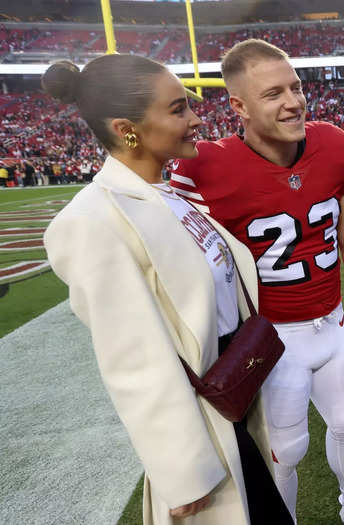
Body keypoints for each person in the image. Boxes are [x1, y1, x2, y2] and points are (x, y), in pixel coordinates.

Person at [40, 55, 292, 525]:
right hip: (203, 434)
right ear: (126, 128)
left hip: (234, 405)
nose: (196, 118)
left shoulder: (166, 192)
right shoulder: (91, 220)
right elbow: (132, 358)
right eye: (178, 109)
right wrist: (182, 470)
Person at [170, 39, 344, 525]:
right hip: (271, 337)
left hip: (334, 323)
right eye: (273, 93)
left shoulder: (335, 144)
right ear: (238, 106)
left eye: (296, 87)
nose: (294, 101)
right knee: (285, 448)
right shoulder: (205, 167)